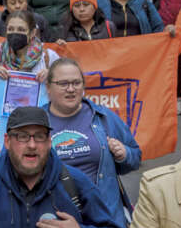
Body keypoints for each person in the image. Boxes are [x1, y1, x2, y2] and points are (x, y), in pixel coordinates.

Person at [41, 58, 140, 216]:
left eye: (76, 83)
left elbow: (135, 158)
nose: (71, 89)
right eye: (63, 84)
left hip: (104, 217)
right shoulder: (37, 123)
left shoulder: (103, 117)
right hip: (54, 218)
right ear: (48, 87)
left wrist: (124, 154)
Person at [0, 10, 59, 79]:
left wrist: (51, 76)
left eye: (21, 29)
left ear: (32, 33)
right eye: (11, 29)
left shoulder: (48, 57)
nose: (15, 33)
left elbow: (65, 80)